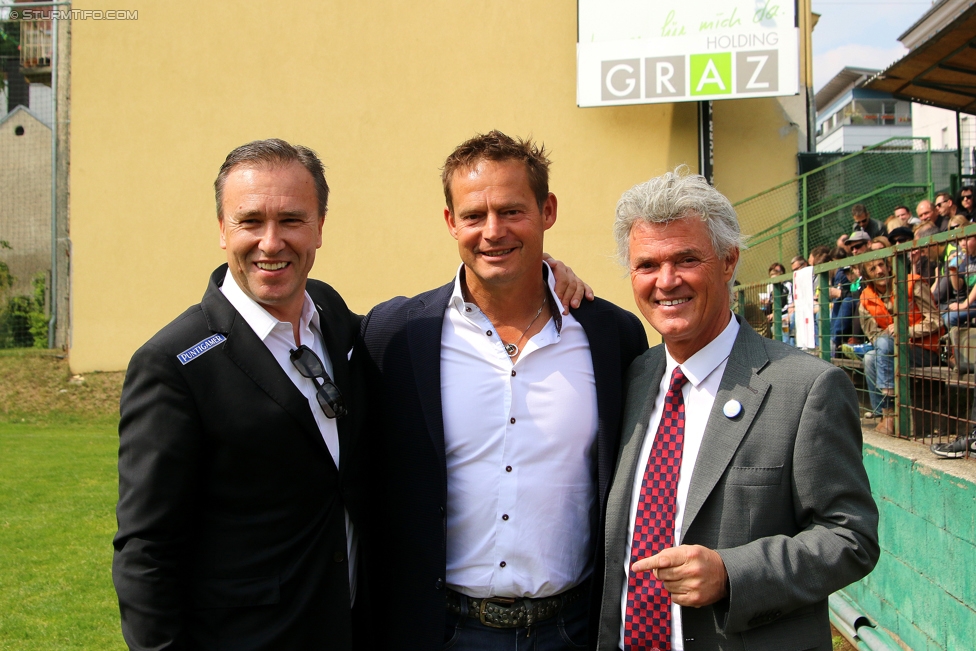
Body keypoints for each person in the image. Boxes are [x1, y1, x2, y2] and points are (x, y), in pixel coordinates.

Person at [359, 131, 648, 650]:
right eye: (474, 215)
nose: (492, 231)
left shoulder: (612, 336)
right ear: (451, 222)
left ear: (547, 211)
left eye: (513, 211)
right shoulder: (396, 335)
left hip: (574, 629)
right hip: (439, 629)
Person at [597, 168, 879, 650]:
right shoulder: (629, 378)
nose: (666, 281)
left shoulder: (807, 387)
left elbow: (850, 537)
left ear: (728, 262)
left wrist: (733, 573)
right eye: (647, 265)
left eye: (686, 258)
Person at [112, 139, 370, 650]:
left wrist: (531, 279)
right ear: (222, 230)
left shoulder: (332, 315)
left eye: (292, 220)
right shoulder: (173, 363)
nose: (271, 243)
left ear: (320, 226)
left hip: (352, 629)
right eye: (250, 221)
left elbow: (420, 330)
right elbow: (147, 551)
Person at [859, 255, 942, 434]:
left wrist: (906, 332)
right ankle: (884, 413)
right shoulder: (865, 298)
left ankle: (890, 416)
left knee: (880, 349)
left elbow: (935, 320)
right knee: (869, 357)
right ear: (867, 276)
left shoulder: (913, 284)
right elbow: (873, 336)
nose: (879, 270)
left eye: (881, 264)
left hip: (924, 349)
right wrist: (892, 340)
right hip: (891, 350)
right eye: (873, 269)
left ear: (888, 266)